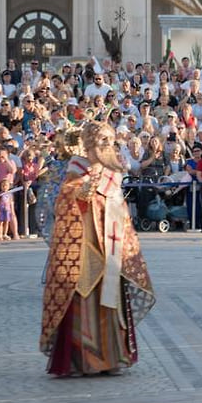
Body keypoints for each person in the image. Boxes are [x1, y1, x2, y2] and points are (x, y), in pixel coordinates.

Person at [40, 121, 155, 376]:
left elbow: (120, 210)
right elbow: (64, 201)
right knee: (83, 300)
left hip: (110, 247)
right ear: (89, 143)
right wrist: (82, 190)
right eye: (102, 140)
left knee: (110, 298)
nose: (107, 145)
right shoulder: (78, 167)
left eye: (109, 140)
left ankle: (112, 357)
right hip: (84, 246)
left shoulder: (113, 171)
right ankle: (82, 360)